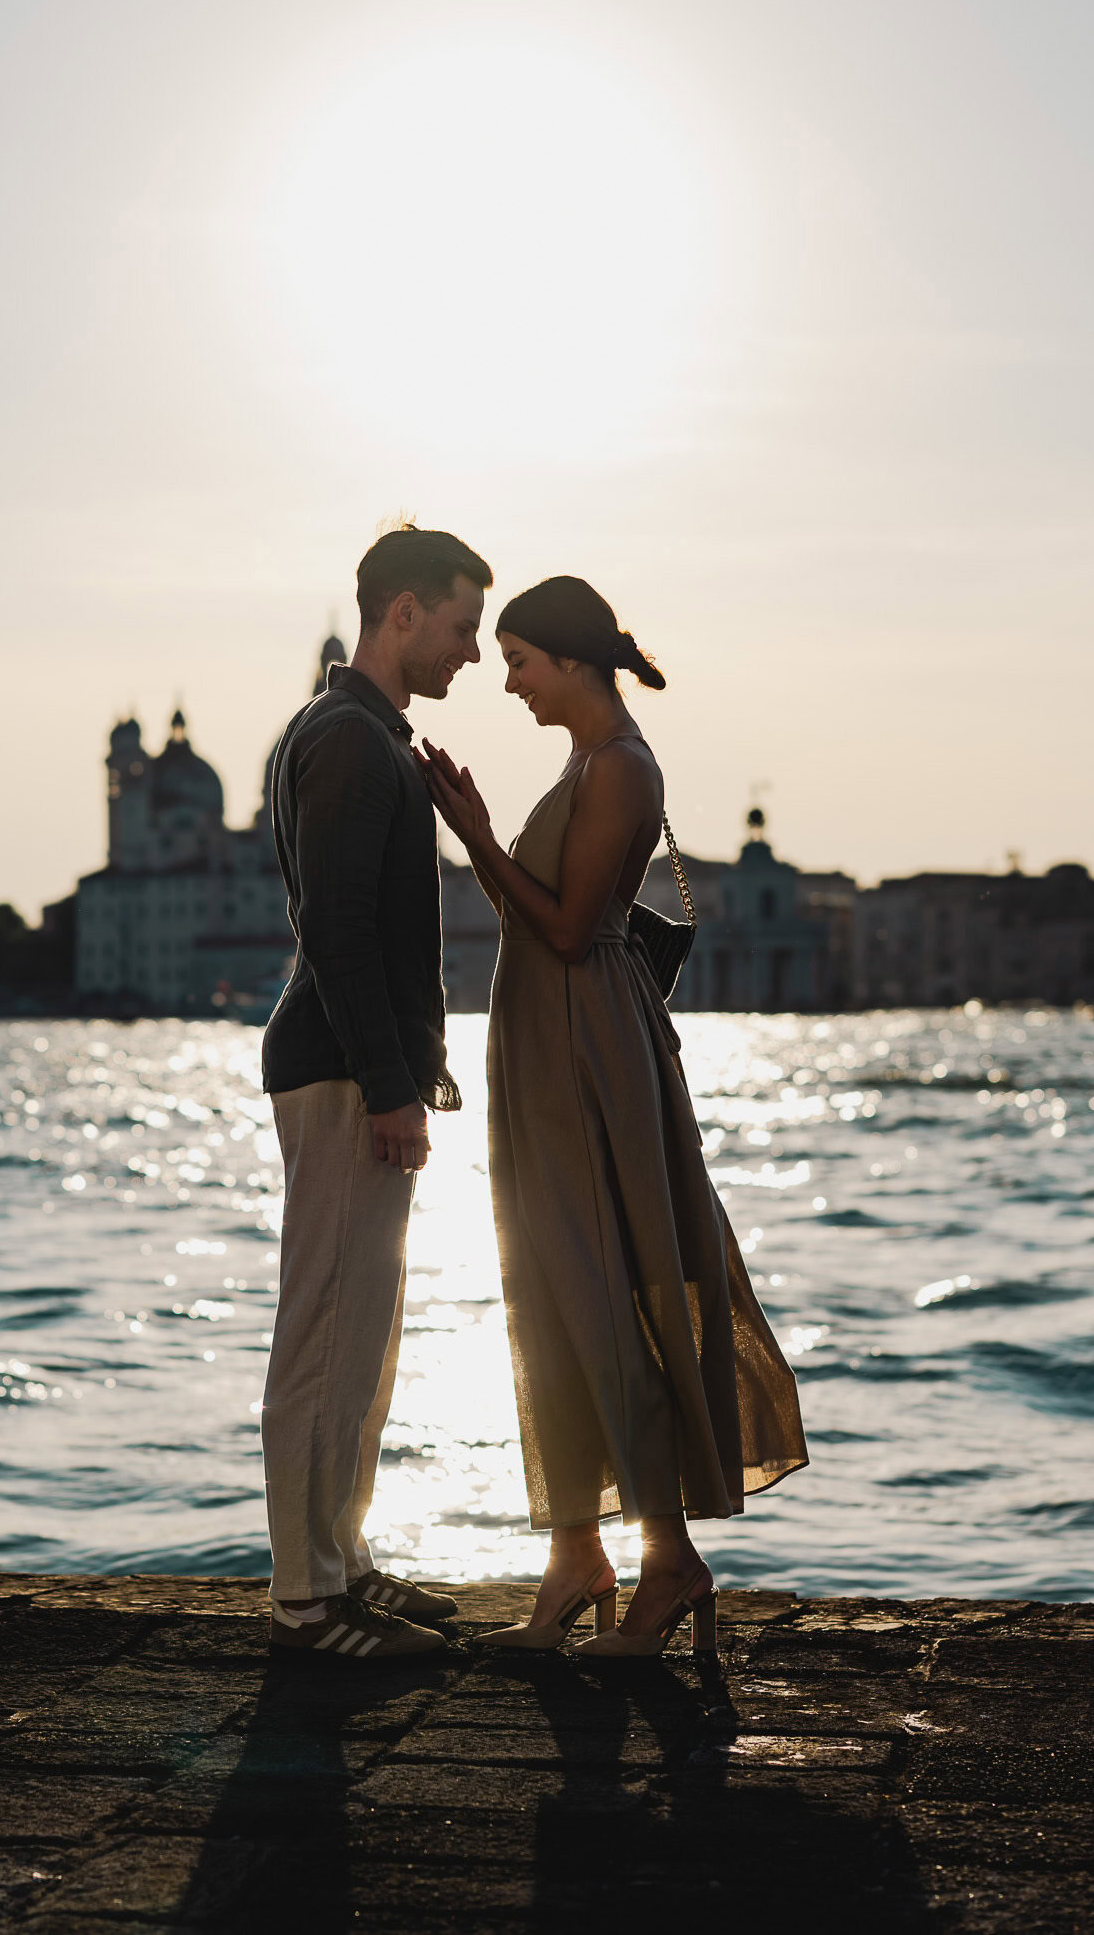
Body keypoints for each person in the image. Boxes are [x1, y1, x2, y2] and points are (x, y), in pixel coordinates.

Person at [419, 575, 808, 1658]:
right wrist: (482, 839)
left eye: (521, 662)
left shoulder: (622, 767)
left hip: (588, 1056)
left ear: (572, 660)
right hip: (552, 1050)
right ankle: (576, 1557)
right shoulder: (587, 763)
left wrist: (475, 832)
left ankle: (668, 1560)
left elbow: (562, 926)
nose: (508, 683)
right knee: (551, 1294)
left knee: (602, 1288)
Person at [260, 524, 492, 1660]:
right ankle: (308, 1602)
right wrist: (392, 1087)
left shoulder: (369, 735)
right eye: (460, 628)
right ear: (401, 613)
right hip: (343, 1069)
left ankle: (342, 1566)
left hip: (362, 1069)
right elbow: (338, 932)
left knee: (362, 1336)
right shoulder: (349, 739)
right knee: (323, 1334)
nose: (472, 655)